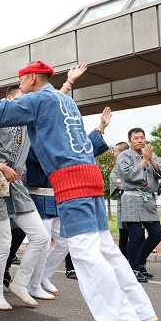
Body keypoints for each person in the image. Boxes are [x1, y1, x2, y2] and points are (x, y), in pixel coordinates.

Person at [0, 61, 158, 321]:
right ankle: (140, 311)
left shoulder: (37, 98)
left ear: (33, 79)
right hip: (88, 176)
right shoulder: (64, 99)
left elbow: (0, 111)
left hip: (70, 180)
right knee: (106, 249)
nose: (20, 87)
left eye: (22, 81)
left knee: (86, 255)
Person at [0, 86, 50, 309]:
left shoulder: (28, 126)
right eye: (21, 100)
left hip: (16, 186)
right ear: (9, 101)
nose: (26, 105)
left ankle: (20, 283)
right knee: (3, 242)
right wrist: (0, 167)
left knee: (41, 237)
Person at [27, 106, 111, 296]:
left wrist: (101, 127)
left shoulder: (58, 142)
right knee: (43, 241)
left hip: (58, 197)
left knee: (64, 241)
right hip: (40, 196)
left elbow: (82, 151)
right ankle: (32, 284)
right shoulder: (35, 138)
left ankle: (43, 276)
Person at [117, 128, 161, 282]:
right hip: (132, 199)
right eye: (136, 138)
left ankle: (139, 262)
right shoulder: (124, 156)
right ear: (130, 141)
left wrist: (151, 158)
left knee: (156, 234)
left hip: (148, 199)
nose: (140, 140)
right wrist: (144, 160)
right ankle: (133, 269)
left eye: (142, 138)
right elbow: (128, 175)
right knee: (134, 236)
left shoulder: (151, 154)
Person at [110, 142, 130, 259]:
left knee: (138, 234)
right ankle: (124, 260)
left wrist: (124, 183)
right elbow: (115, 182)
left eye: (116, 151)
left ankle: (138, 263)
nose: (115, 154)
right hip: (123, 204)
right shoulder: (116, 167)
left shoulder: (136, 163)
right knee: (124, 233)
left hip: (138, 205)